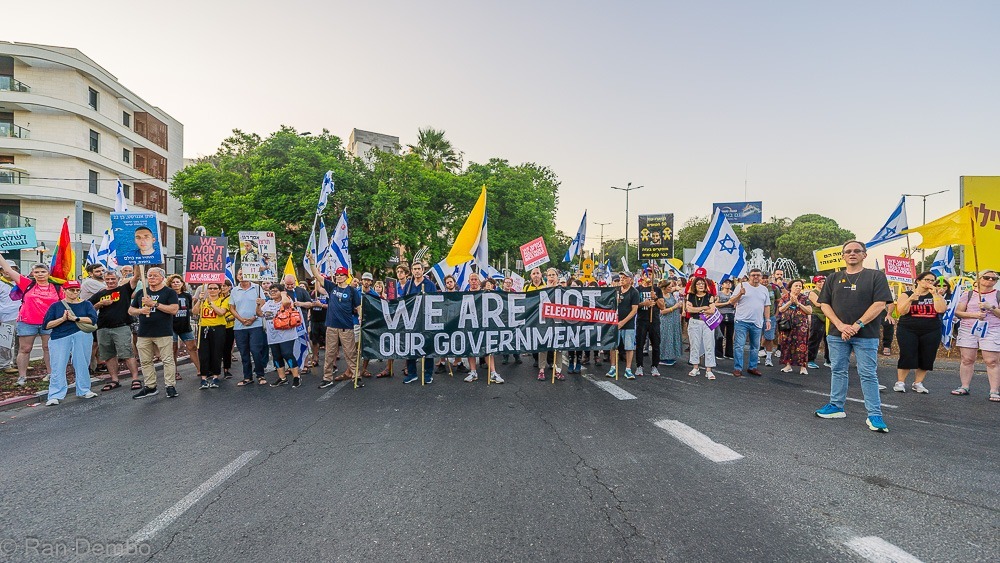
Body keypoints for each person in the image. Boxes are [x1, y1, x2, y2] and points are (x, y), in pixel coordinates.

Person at [814, 240, 894, 433]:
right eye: (848, 251)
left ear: (864, 255)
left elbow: (880, 304)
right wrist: (841, 325)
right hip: (836, 334)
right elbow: (824, 304)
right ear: (842, 255)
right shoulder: (833, 278)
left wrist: (857, 325)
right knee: (838, 370)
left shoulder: (875, 276)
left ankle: (874, 415)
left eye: (856, 251)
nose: (852, 253)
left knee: (868, 374)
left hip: (866, 335)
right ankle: (836, 406)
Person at [0, 256, 61, 386]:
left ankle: (51, 374)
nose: (40, 274)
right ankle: (22, 377)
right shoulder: (27, 284)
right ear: (32, 273)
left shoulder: (56, 287)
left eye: (43, 271)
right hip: (27, 322)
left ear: (48, 273)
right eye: (36, 272)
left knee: (48, 348)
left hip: (49, 323)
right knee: (25, 349)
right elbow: (8, 270)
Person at [41, 280, 98, 405]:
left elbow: (93, 319)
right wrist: (62, 319)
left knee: (82, 362)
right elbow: (46, 325)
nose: (75, 292)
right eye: (72, 290)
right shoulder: (56, 306)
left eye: (77, 290)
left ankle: (84, 390)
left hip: (82, 335)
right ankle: (55, 394)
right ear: (64, 290)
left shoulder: (86, 304)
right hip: (60, 337)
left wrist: (75, 318)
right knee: (58, 365)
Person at [128, 267, 180, 399]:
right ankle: (150, 386)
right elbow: (130, 310)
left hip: (163, 332)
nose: (151, 278)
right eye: (149, 276)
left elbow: (174, 309)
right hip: (144, 332)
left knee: (167, 360)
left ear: (162, 278)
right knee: (145, 361)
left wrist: (154, 304)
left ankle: (170, 386)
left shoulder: (169, 292)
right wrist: (141, 311)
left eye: (154, 276)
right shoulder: (141, 293)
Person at [310, 261, 362, 387]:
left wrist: (360, 316)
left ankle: (356, 377)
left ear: (346, 276)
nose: (338, 276)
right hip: (332, 326)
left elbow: (359, 306)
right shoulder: (332, 287)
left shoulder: (352, 291)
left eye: (341, 274)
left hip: (346, 327)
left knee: (350, 353)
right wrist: (312, 262)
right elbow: (317, 275)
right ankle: (327, 378)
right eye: (337, 274)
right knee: (329, 353)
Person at [893, 271, 946, 393]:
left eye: (933, 281)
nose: (930, 283)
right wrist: (911, 299)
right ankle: (900, 382)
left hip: (931, 329)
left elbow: (941, 309)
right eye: (927, 280)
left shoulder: (935, 294)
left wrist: (935, 295)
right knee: (907, 354)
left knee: (927, 356)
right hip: (908, 329)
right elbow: (902, 311)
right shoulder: (907, 294)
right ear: (918, 281)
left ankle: (918, 383)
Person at [951, 270, 1000, 401]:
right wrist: (974, 315)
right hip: (968, 329)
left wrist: (991, 307)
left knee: (992, 361)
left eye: (994, 278)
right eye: (987, 277)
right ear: (978, 279)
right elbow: (958, 312)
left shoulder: (998, 294)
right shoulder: (969, 294)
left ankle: (994, 390)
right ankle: (964, 386)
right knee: (967, 359)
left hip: (992, 329)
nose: (990, 280)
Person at [90, 269, 140, 391]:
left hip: (121, 326)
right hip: (103, 328)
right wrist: (99, 304)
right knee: (108, 355)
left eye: (113, 279)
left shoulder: (124, 289)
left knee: (127, 353)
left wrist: (138, 259)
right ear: (104, 280)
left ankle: (135, 378)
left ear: (118, 279)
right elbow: (88, 307)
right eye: (107, 279)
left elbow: (137, 276)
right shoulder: (100, 293)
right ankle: (114, 380)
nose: (110, 281)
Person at [726, 268, 771, 377]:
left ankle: (752, 367)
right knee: (739, 346)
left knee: (755, 347)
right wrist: (740, 294)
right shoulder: (742, 286)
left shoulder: (764, 289)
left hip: (757, 322)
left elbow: (767, 306)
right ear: (749, 276)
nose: (756, 277)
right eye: (753, 275)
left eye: (758, 275)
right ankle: (738, 368)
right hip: (742, 321)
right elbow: (731, 301)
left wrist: (768, 320)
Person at [399, 262, 436, 384]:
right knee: (411, 347)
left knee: (427, 347)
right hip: (411, 321)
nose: (416, 271)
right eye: (414, 269)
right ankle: (412, 373)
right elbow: (403, 300)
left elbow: (435, 302)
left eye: (419, 269)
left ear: (423, 270)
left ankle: (428, 374)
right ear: (412, 270)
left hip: (426, 320)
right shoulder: (409, 285)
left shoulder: (429, 285)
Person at [229, 270, 269, 386]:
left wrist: (254, 317)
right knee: (244, 352)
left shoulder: (257, 288)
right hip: (240, 326)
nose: (242, 276)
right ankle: (247, 377)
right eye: (239, 274)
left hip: (255, 324)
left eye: (244, 273)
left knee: (256, 351)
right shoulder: (234, 290)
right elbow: (232, 308)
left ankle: (260, 375)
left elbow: (263, 305)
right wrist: (241, 319)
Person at [258, 283, 302, 387]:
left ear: (281, 292)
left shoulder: (286, 300)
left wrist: (283, 293)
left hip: (287, 334)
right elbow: (260, 314)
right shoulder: (268, 303)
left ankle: (296, 377)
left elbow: (286, 303)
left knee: (287, 354)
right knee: (276, 356)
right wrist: (258, 304)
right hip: (273, 335)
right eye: (271, 291)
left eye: (275, 290)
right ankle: (282, 378)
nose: (272, 292)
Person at [195, 283, 229, 389]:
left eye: (215, 288)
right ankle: (204, 377)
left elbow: (221, 312)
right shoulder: (203, 300)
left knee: (216, 353)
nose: (212, 290)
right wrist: (200, 301)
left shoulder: (223, 300)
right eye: (210, 288)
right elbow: (195, 312)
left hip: (218, 328)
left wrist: (211, 304)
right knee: (203, 353)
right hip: (204, 328)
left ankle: (215, 376)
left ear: (219, 290)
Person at [607, 271, 640, 380]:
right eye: (621, 278)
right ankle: (612, 367)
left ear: (630, 280)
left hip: (628, 324)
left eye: (624, 278)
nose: (622, 279)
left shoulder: (634, 292)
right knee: (613, 346)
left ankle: (628, 369)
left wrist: (623, 322)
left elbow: (634, 310)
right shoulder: (615, 291)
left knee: (629, 347)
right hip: (615, 322)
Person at [776, 279, 813, 375]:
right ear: (791, 287)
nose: (798, 287)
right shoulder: (785, 297)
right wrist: (790, 302)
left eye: (800, 286)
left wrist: (798, 303)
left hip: (801, 325)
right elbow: (781, 309)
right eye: (796, 285)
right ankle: (788, 365)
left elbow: (809, 311)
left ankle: (803, 367)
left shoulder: (805, 298)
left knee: (802, 345)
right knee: (787, 343)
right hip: (787, 325)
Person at [167, 275, 200, 377]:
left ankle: (200, 369)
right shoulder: (167, 295)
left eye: (178, 282)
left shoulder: (187, 295)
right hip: (170, 326)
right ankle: (174, 372)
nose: (176, 284)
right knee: (173, 349)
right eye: (173, 282)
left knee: (192, 347)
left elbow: (190, 309)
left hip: (185, 326)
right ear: (170, 284)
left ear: (182, 284)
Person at [685, 277, 717, 379]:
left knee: (709, 345)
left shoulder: (709, 296)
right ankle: (695, 367)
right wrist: (703, 308)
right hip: (694, 322)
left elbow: (712, 310)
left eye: (703, 284)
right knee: (695, 344)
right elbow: (689, 309)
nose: (701, 285)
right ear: (694, 285)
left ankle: (709, 369)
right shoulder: (690, 296)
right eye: (698, 284)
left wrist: (696, 309)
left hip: (707, 323)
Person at [633, 271, 664, 377]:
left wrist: (655, 297)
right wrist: (644, 304)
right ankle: (639, 366)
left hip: (654, 320)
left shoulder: (657, 290)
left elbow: (662, 306)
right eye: (646, 274)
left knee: (656, 344)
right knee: (640, 344)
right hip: (642, 320)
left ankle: (654, 366)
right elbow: (634, 305)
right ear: (642, 276)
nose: (648, 276)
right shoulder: (637, 290)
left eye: (650, 274)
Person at [806, 276, 831, 369]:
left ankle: (828, 359)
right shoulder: (813, 292)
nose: (822, 283)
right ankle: (810, 359)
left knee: (828, 339)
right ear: (815, 283)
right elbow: (818, 303)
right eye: (819, 282)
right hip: (817, 316)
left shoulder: (828, 292)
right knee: (815, 338)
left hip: (828, 317)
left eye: (823, 281)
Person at [760, 272, 784, 366]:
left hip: (770, 316)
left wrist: (777, 313)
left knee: (769, 337)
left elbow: (779, 301)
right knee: (756, 337)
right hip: (757, 316)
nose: (765, 280)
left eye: (767, 278)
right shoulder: (756, 288)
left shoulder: (774, 288)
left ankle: (768, 358)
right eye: (763, 278)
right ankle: (756, 356)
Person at [658, 279, 683, 366]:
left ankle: (672, 355)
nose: (671, 288)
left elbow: (677, 289)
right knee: (666, 338)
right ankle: (664, 357)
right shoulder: (661, 297)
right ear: (664, 288)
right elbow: (662, 311)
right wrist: (675, 307)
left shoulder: (669, 294)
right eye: (669, 287)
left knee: (672, 337)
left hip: (674, 320)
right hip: (666, 320)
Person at [308, 277, 328, 371]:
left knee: (328, 341)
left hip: (325, 320)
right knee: (314, 340)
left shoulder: (327, 293)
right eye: (315, 282)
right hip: (314, 319)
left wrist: (322, 305)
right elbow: (308, 304)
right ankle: (315, 358)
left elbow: (332, 305)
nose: (317, 284)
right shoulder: (311, 294)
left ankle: (331, 361)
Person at [716, 279, 736, 360]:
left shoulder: (732, 294)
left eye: (729, 283)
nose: (728, 284)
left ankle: (729, 353)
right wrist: (726, 303)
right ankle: (718, 353)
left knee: (730, 335)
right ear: (722, 285)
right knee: (720, 335)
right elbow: (716, 304)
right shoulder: (719, 293)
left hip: (731, 315)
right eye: (726, 283)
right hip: (721, 315)